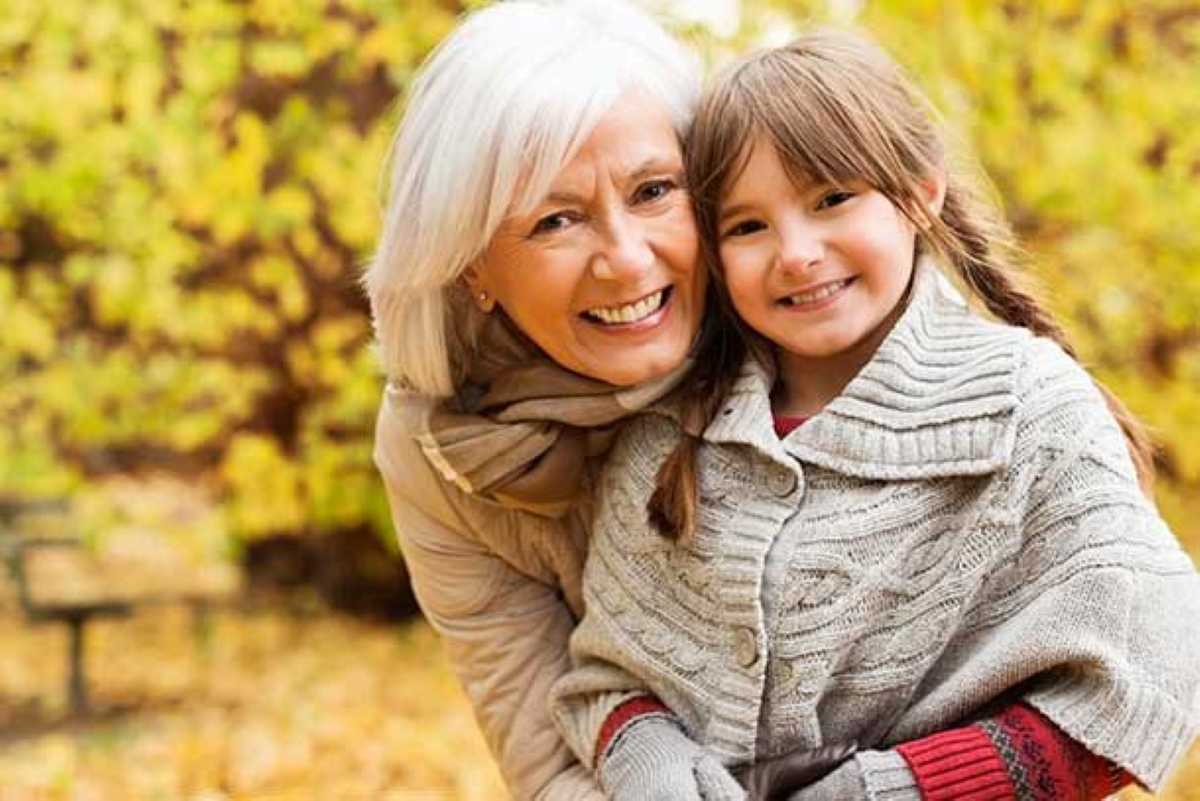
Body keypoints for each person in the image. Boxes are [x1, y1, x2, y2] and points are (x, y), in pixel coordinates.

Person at [551, 29, 1200, 800]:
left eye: (832, 199)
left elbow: (1152, 676)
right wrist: (642, 754)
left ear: (920, 192)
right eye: (748, 225)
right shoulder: (672, 431)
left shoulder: (1027, 405)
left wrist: (897, 787)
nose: (797, 252)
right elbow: (607, 677)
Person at [365, 1, 729, 798]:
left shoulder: (802, 335)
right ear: (472, 267)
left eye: (653, 190)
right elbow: (548, 763)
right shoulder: (442, 451)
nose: (628, 262)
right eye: (556, 220)